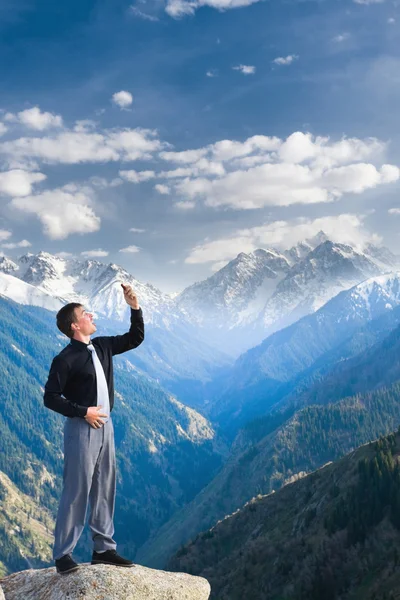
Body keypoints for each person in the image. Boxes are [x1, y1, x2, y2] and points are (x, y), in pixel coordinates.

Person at [43, 283, 144, 575]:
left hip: (106, 426)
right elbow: (50, 397)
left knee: (104, 487)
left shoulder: (101, 346)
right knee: (76, 490)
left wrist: (134, 306)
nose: (92, 315)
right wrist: (82, 412)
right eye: (86, 314)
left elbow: (135, 338)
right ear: (75, 325)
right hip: (81, 428)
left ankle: (104, 550)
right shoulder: (65, 359)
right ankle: (63, 555)